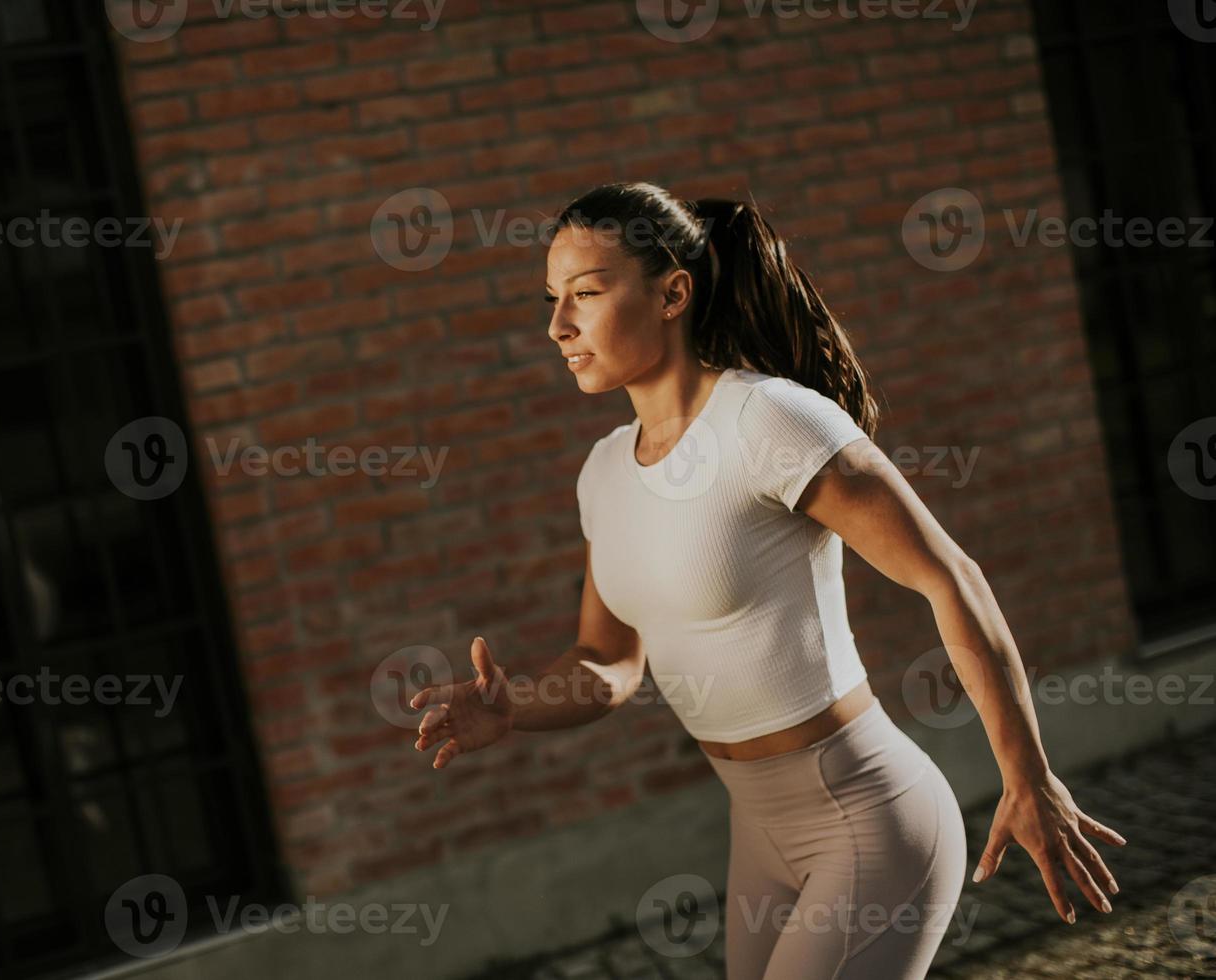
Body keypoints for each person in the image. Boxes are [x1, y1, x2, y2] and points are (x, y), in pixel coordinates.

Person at [409, 182, 1128, 979]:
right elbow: (607, 661)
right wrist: (518, 708)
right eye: (552, 299)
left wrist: (1026, 773)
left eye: (586, 293)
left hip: (869, 823)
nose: (558, 326)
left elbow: (949, 576)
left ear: (673, 292)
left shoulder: (770, 420)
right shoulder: (603, 471)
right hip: (758, 834)